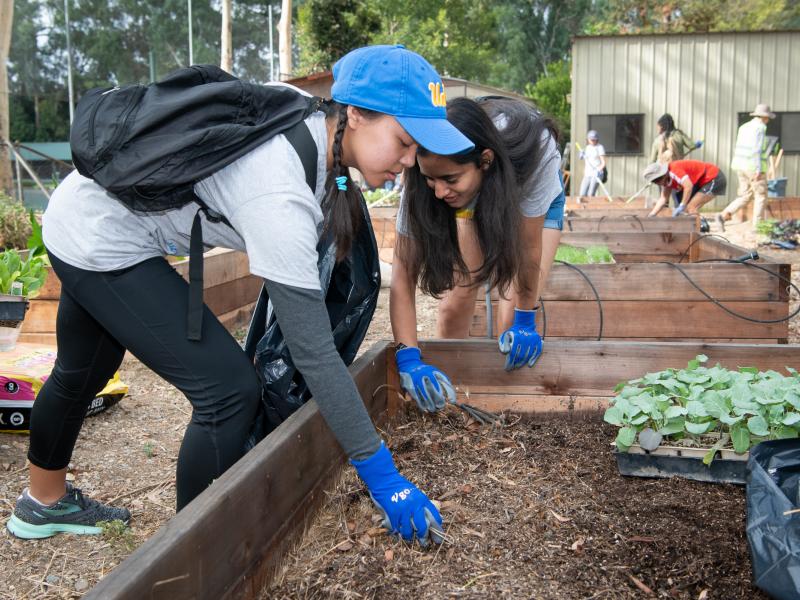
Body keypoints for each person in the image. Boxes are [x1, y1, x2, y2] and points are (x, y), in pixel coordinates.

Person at [6, 45, 472, 545]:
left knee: (86, 369)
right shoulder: (279, 195)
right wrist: (383, 476)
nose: (408, 162)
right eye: (404, 142)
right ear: (355, 115)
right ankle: (187, 560)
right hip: (100, 238)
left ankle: (42, 503)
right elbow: (314, 356)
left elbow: (335, 187)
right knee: (228, 391)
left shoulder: (308, 114)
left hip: (85, 207)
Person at [390, 96, 563, 412]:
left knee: (511, 319)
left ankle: (507, 402)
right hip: (470, 195)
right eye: (431, 180)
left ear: (485, 160)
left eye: (449, 180)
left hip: (525, 188)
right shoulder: (427, 180)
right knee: (453, 306)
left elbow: (528, 251)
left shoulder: (536, 152)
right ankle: (448, 396)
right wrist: (408, 356)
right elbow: (402, 276)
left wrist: (526, 319)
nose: (439, 192)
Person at [715, 103, 775, 231]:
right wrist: (758, 169)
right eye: (768, 117)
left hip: (740, 166)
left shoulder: (744, 127)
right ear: (764, 117)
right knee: (761, 195)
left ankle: (723, 215)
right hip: (753, 167)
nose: (768, 120)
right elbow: (756, 150)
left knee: (745, 195)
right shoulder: (760, 128)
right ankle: (757, 226)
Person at [643, 159, 727, 218]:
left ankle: (696, 235)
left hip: (713, 177)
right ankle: (693, 230)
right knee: (687, 209)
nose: (657, 183)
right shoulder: (665, 180)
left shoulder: (674, 170)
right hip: (701, 181)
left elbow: (688, 186)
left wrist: (682, 205)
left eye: (657, 180)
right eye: (654, 182)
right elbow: (663, 199)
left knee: (691, 207)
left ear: (663, 175)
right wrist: (652, 215)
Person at [578, 130, 605, 197]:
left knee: (590, 194)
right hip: (587, 173)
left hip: (596, 174)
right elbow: (581, 158)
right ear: (588, 139)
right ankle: (583, 207)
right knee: (582, 193)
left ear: (597, 139)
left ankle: (591, 207)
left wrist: (599, 170)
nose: (593, 141)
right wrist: (581, 154)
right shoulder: (587, 148)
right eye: (591, 139)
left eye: (594, 140)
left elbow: (603, 163)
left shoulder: (600, 147)